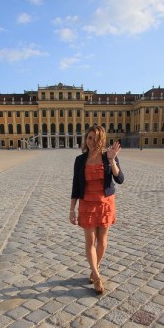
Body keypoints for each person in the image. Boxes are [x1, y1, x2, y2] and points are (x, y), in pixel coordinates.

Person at [70, 125, 124, 295]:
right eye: (89, 137)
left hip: (105, 203)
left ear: (102, 140)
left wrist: (112, 160)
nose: (91, 141)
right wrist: (72, 209)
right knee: (89, 241)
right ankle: (97, 276)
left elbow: (120, 178)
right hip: (87, 203)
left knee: (102, 239)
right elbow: (75, 186)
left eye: (95, 138)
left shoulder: (108, 156)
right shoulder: (80, 160)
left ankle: (95, 268)